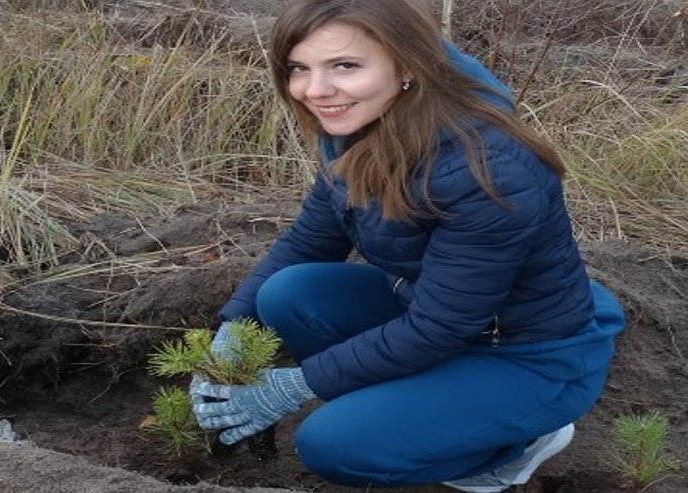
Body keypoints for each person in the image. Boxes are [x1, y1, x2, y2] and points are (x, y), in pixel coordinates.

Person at [189, 0, 626, 491]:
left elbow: (438, 327)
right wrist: (231, 330)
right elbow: (309, 241)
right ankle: (407, 407)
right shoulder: (361, 126)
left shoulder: (486, 170)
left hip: (526, 353)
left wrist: (300, 383)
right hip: (437, 312)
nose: (315, 91)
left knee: (333, 446)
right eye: (298, 69)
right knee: (287, 293)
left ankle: (511, 447)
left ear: (407, 66)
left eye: (345, 66)